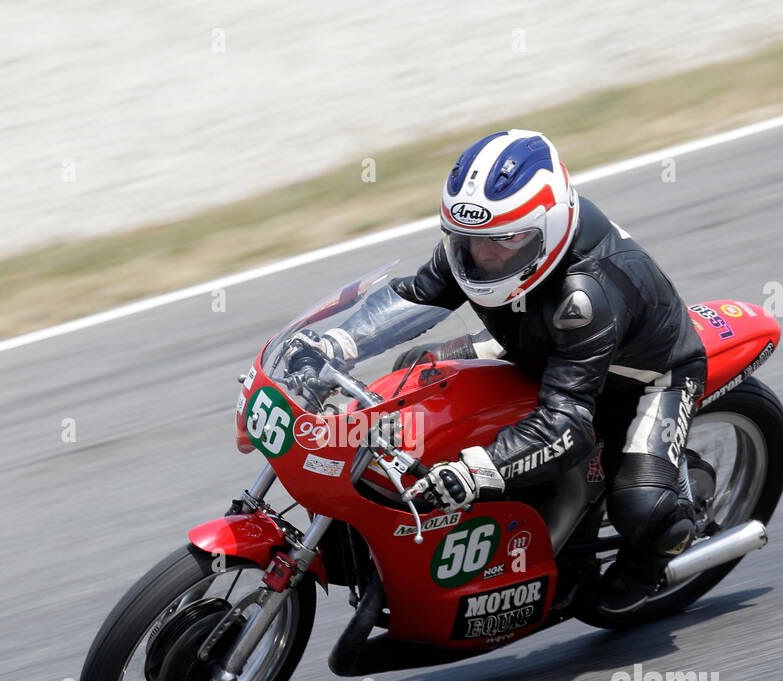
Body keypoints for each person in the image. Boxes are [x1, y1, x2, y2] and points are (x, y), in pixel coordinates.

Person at [285, 129, 707, 614]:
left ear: (546, 228)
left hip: (644, 379)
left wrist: (474, 473)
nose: (482, 256)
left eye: (504, 241)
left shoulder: (586, 295)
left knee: (644, 508)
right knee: (417, 373)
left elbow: (566, 424)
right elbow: (413, 295)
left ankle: (649, 565)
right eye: (468, 240)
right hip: (540, 346)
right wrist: (334, 344)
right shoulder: (476, 248)